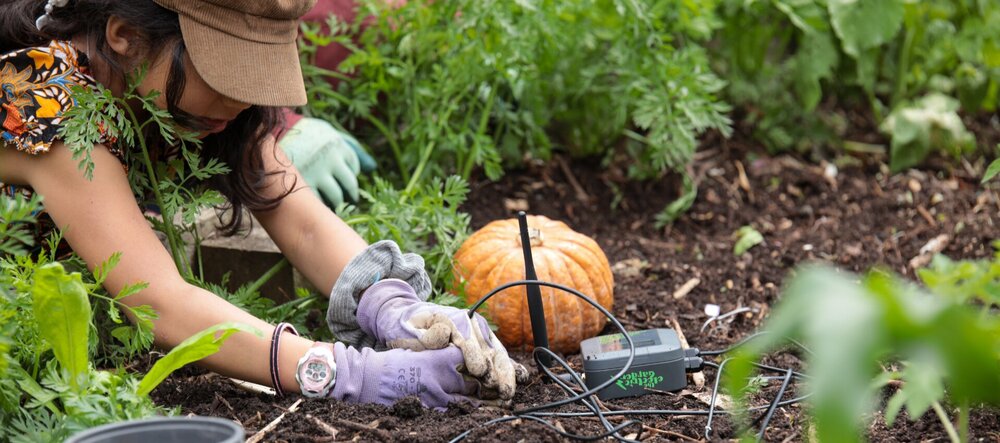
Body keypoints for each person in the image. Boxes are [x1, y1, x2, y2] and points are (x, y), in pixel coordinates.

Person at [0, 0, 521, 408]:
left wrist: (394, 305)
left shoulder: (172, 92)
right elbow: (159, 302)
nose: (242, 98)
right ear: (125, 35)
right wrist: (344, 373)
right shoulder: (47, 101)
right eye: (225, 73)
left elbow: (305, 226)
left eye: (254, 74)